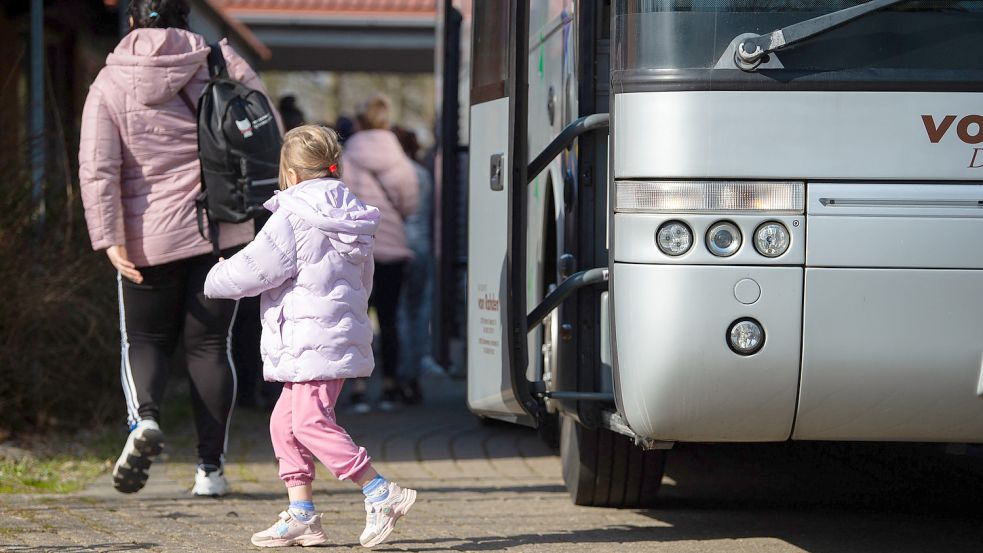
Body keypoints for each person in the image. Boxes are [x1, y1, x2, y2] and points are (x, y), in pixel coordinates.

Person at [78, 0, 280, 496]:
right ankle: (209, 471)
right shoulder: (220, 62)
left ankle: (144, 419)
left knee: (144, 341)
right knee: (210, 348)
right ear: (186, 19)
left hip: (148, 237)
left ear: (130, 22)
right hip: (222, 229)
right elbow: (266, 128)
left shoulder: (110, 81)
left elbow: (98, 167)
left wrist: (109, 238)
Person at [203, 125, 417, 548]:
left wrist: (215, 276)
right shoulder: (351, 211)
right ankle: (302, 515)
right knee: (285, 424)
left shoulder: (294, 213)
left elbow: (258, 267)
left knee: (308, 422)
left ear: (291, 171)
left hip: (311, 339)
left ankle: (380, 492)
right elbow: (364, 279)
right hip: (332, 334)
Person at [342, 95, 418, 413]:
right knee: (389, 320)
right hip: (392, 249)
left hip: (355, 250)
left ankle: (358, 390)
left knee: (355, 319)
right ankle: (389, 388)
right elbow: (410, 204)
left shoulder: (346, 157)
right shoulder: (400, 160)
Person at [392, 126, 434, 405]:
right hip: (422, 247)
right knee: (420, 313)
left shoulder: (391, 173)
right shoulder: (422, 174)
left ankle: (401, 374)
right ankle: (415, 373)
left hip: (396, 247)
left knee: (400, 313)